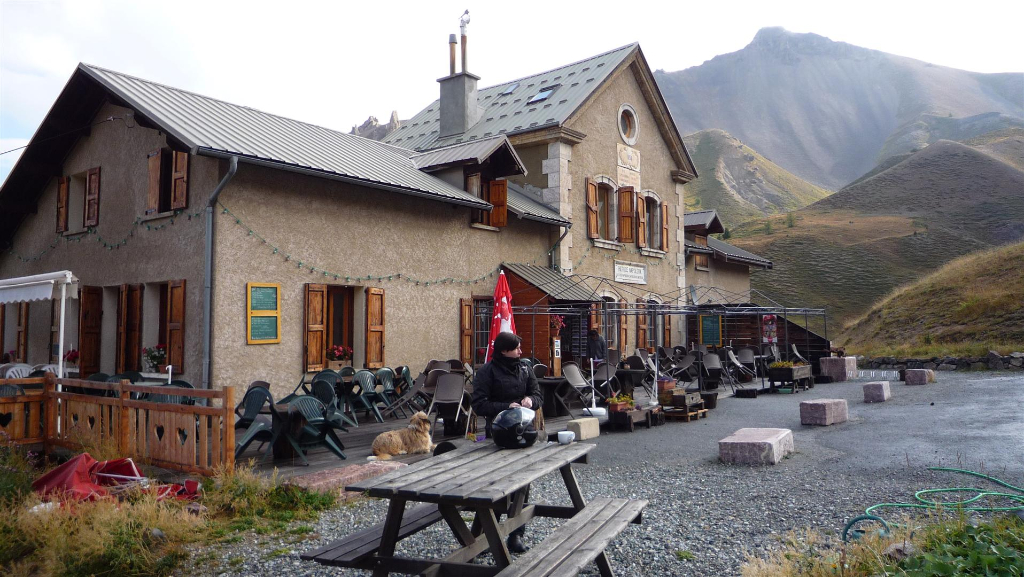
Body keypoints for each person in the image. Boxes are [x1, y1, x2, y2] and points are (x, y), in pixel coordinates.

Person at [471, 331, 542, 553]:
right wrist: (506, 407)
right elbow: (479, 404)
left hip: (524, 432)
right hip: (498, 435)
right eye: (516, 348)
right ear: (504, 351)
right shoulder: (486, 372)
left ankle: (516, 534)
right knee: (494, 484)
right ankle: (484, 536)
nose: (521, 351)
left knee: (522, 484)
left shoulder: (525, 368)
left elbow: (538, 395)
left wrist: (531, 400)